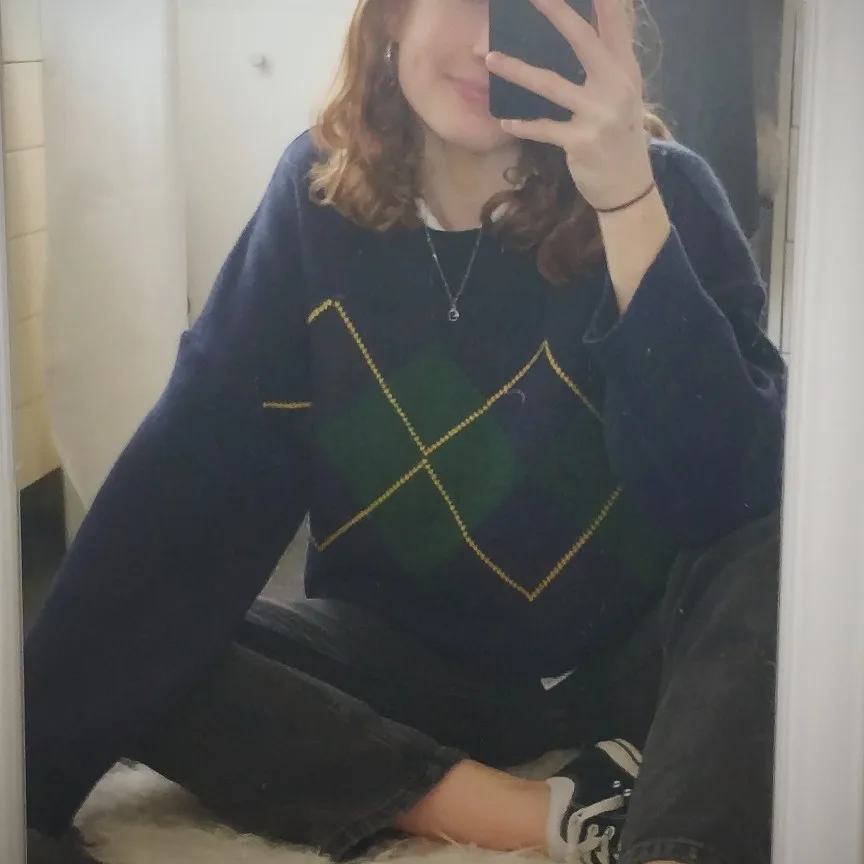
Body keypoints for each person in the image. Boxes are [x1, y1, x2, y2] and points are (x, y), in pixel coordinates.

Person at [24, 1, 786, 863]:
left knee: (792, 545)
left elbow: (725, 496)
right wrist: (26, 776)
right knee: (142, 636)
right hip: (405, 663)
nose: (489, 45)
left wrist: (626, 200)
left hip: (635, 663)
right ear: (392, 15)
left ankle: (672, 842)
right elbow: (190, 470)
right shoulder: (316, 196)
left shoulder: (665, 191)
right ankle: (531, 811)